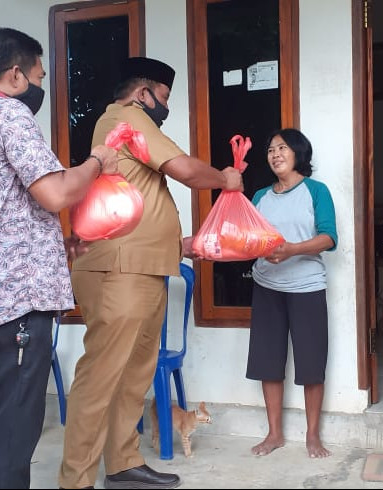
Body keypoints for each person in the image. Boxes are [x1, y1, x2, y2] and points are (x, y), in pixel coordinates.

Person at [57, 57, 243, 489]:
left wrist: (179, 245)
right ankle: (75, 481)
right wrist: (225, 178)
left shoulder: (126, 130)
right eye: (164, 97)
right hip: (119, 271)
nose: (166, 106)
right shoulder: (128, 118)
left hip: (143, 267)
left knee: (133, 375)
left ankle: (122, 464)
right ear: (143, 93)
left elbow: (141, 202)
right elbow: (185, 170)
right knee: (101, 377)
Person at [0, 27, 119, 489]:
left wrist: (53, 248)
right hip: (15, 305)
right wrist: (97, 162)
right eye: (40, 76)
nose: (41, 85)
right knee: (13, 432)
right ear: (16, 75)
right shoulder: (8, 113)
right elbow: (56, 192)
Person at [245, 128, 337, 459]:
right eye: (271, 149)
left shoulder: (316, 191)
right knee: (268, 362)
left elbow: (329, 237)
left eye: (282, 148)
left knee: (311, 363)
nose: (275, 154)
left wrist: (293, 249)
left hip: (307, 287)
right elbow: (248, 237)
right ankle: (274, 434)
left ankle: (313, 435)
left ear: (299, 152)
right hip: (266, 286)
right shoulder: (260, 196)